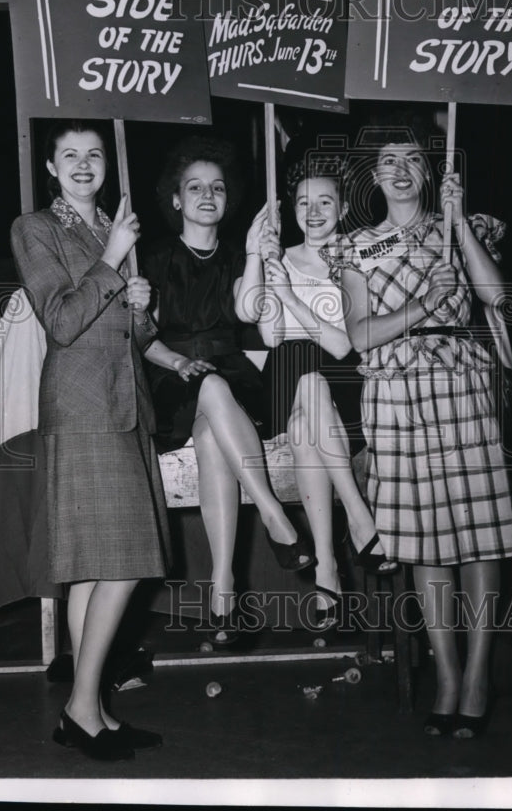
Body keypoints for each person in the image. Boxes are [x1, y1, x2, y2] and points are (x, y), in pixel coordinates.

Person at [324, 115, 512, 739]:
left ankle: (478, 675)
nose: (401, 170)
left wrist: (459, 221)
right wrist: (422, 304)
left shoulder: (461, 227)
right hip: (393, 393)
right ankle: (446, 673)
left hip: (463, 384)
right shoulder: (356, 245)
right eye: (388, 160)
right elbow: (357, 337)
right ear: (372, 175)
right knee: (424, 543)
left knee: (480, 537)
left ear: (431, 169)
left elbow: (496, 298)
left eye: (413, 158)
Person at [11, 120, 190, 761]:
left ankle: (92, 714)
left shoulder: (114, 224)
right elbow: (61, 319)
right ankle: (82, 706)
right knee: (124, 561)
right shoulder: (37, 228)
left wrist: (143, 307)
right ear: (53, 168)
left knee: (93, 570)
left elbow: (131, 334)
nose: (84, 164)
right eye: (71, 156)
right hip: (82, 407)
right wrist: (114, 260)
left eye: (94, 154)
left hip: (125, 405)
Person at [142, 136, 314, 646]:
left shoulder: (237, 253)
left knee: (215, 428)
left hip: (231, 375)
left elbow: (247, 314)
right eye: (194, 187)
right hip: (171, 377)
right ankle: (274, 514)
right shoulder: (149, 257)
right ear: (176, 199)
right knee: (209, 385)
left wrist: (258, 254)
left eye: (216, 188)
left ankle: (222, 591)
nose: (206, 195)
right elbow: (142, 338)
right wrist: (176, 360)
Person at [237, 152, 398, 634]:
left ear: (343, 205)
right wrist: (267, 270)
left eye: (324, 201)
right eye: (303, 202)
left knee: (310, 415)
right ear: (291, 209)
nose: (313, 211)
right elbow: (269, 338)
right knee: (305, 379)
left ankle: (327, 565)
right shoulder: (278, 258)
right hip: (289, 376)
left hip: (343, 383)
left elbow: (344, 343)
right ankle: (358, 516)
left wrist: (290, 299)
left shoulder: (358, 256)